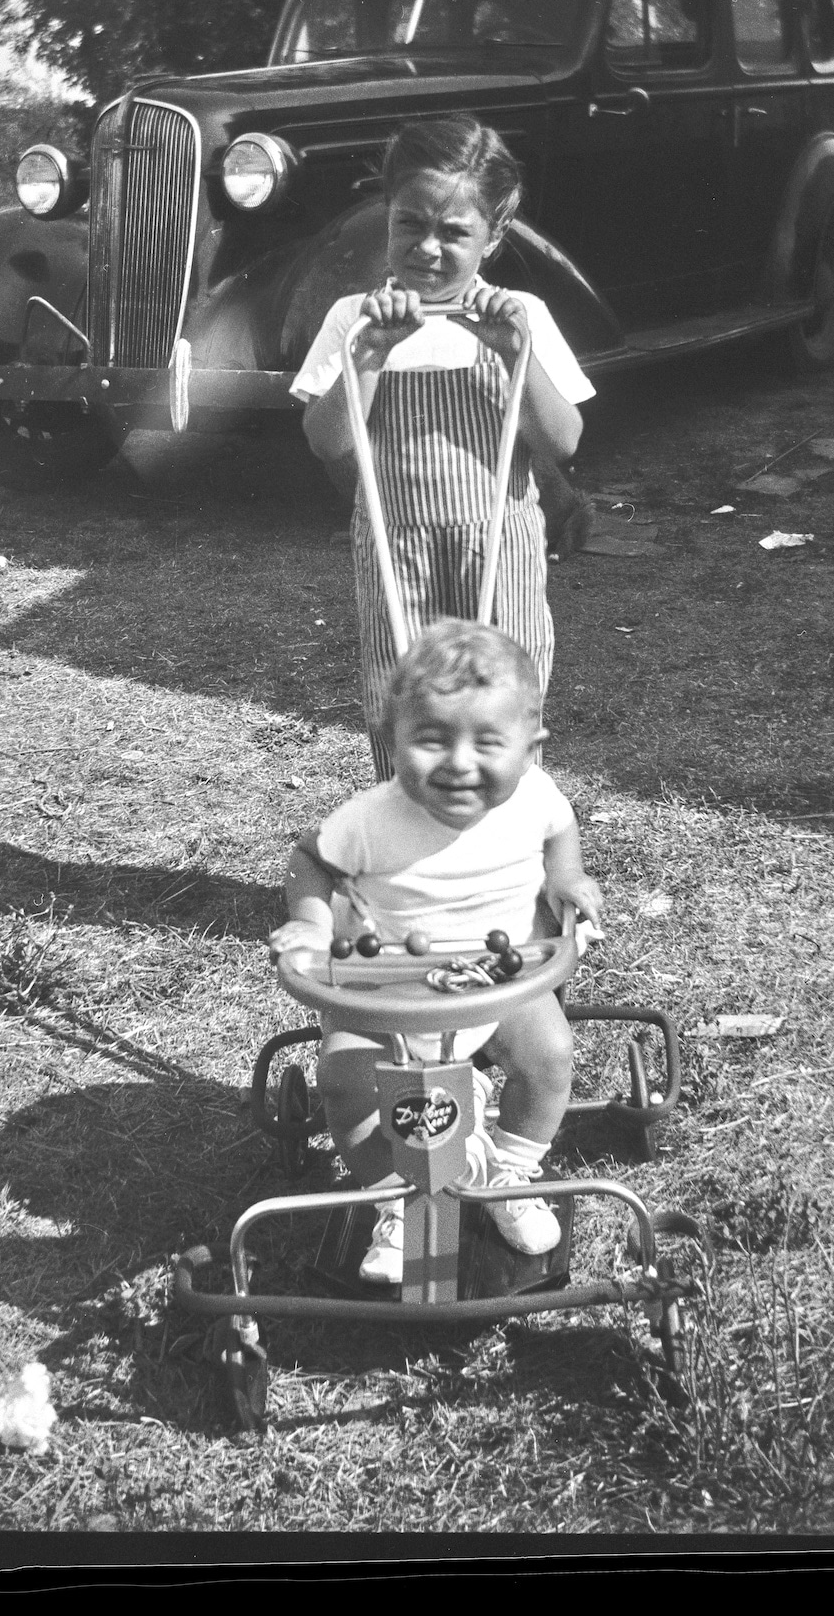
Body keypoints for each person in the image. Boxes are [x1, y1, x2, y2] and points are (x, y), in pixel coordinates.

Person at [270, 620, 604, 1287]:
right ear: (394, 742)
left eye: (487, 742)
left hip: (494, 976)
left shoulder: (535, 796)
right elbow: (309, 858)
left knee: (550, 1054)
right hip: (382, 984)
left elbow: (560, 828)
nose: (458, 762)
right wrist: (311, 923)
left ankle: (507, 1173)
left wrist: (566, 877)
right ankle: (397, 1195)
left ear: (530, 748)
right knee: (343, 1079)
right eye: (431, 739)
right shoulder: (370, 818)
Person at [291, 113, 597, 781]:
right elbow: (327, 441)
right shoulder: (354, 318)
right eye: (410, 224)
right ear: (388, 215)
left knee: (503, 692)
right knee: (404, 692)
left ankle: (509, 846)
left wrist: (516, 354)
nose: (427, 248)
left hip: (498, 544)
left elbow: (563, 440)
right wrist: (368, 355)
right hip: (397, 547)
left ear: (494, 235)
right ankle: (408, 842)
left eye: (454, 231)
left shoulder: (519, 316)